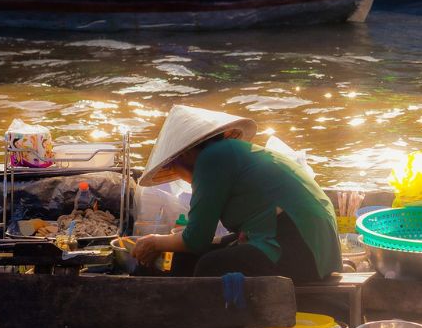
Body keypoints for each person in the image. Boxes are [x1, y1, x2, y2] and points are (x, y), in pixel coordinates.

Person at [133, 105, 341, 284]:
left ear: (186, 154)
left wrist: (154, 241)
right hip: (307, 240)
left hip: (299, 243)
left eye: (174, 167)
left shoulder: (211, 159)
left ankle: (213, 326)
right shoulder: (229, 152)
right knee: (187, 258)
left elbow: (196, 239)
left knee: (210, 265)